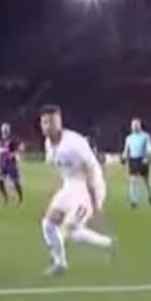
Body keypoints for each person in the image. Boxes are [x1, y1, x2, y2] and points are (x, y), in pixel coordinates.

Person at [38, 104, 114, 277]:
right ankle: (60, 263)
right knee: (48, 224)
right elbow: (60, 169)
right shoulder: (49, 144)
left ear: (59, 122)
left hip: (88, 186)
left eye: (52, 122)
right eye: (45, 123)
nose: (48, 126)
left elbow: (90, 170)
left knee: (71, 229)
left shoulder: (74, 142)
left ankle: (108, 244)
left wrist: (95, 202)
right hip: (70, 185)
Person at [122, 118, 151, 209]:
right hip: (133, 160)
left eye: (137, 125)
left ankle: (149, 195)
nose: (135, 127)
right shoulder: (129, 138)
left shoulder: (146, 136)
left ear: (140, 126)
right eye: (133, 125)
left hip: (142, 159)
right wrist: (124, 157)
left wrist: (147, 157)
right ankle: (133, 201)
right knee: (133, 181)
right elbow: (126, 149)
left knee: (145, 181)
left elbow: (149, 147)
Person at [0, 122, 23, 206]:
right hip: (3, 164)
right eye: (3, 130)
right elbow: (0, 152)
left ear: (8, 130)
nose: (4, 131)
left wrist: (12, 155)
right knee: (0, 182)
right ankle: (5, 198)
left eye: (6, 130)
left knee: (15, 182)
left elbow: (17, 151)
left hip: (11, 164)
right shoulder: (0, 140)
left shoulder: (12, 139)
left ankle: (20, 198)